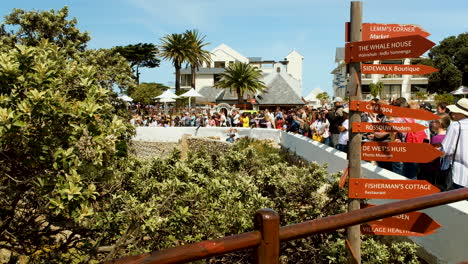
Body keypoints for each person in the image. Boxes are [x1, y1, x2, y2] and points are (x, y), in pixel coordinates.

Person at [440, 98, 468, 189]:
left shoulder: (456, 126)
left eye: (455, 111)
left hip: (460, 175)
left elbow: (446, 151)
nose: (452, 113)